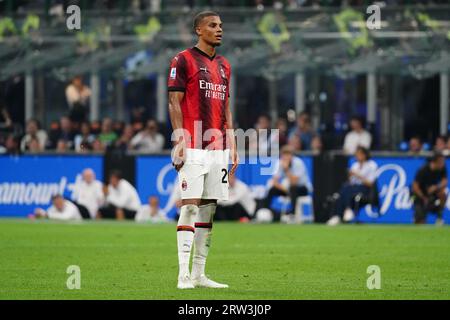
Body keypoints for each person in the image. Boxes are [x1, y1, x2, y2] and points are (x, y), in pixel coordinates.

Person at [168, 11, 238, 289]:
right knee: (189, 207)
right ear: (199, 30)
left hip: (218, 146)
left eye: (221, 25)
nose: (219, 29)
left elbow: (226, 107)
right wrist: (180, 139)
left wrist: (232, 143)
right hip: (193, 144)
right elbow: (174, 101)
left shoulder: (224, 65)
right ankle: (183, 274)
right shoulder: (182, 59)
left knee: (209, 209)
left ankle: (199, 274)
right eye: (212, 25)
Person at [327, 147, 378, 226]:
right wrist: (350, 177)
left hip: (365, 189)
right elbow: (352, 182)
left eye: (359, 154)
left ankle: (340, 214)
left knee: (345, 190)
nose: (357, 156)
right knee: (345, 188)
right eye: (356, 154)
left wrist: (357, 175)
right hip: (353, 188)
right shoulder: (355, 165)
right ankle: (342, 213)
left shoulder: (372, 165)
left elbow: (370, 183)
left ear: (364, 155)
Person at [261, 145, 312, 223]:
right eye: (284, 155)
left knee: (293, 188)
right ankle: (265, 211)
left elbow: (294, 182)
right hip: (287, 189)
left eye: (288, 155)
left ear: (292, 156)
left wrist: (286, 169)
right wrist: (284, 189)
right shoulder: (279, 163)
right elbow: (274, 182)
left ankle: (293, 215)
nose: (286, 158)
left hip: (303, 188)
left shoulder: (298, 163)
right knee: (272, 190)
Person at [412, 152, 448, 225]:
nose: (443, 163)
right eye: (441, 161)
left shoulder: (442, 168)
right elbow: (415, 187)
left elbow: (445, 181)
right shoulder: (423, 170)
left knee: (443, 194)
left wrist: (436, 187)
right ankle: (418, 217)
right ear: (435, 162)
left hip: (432, 193)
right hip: (419, 195)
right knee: (420, 222)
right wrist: (423, 198)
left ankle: (439, 217)